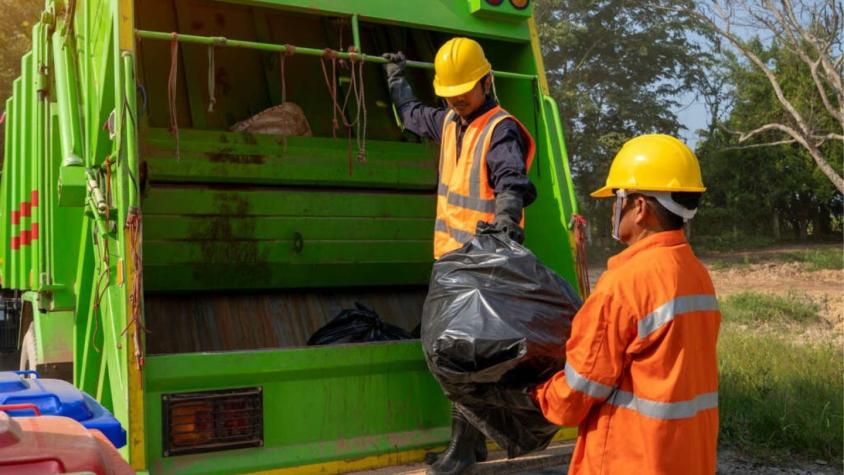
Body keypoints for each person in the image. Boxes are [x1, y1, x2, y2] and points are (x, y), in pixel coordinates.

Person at [383, 38, 537, 475]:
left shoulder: (499, 127)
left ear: (487, 81)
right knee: (461, 355)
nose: (457, 98)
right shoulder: (450, 121)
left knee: (460, 357)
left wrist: (507, 217)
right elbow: (412, 115)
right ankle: (471, 446)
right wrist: (396, 80)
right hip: (454, 261)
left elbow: (511, 177)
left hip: (485, 261)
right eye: (451, 92)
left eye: (465, 90)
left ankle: (463, 451)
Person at [531, 134, 721, 474]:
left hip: (630, 459)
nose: (612, 210)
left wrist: (536, 396)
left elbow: (579, 390)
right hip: (685, 458)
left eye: (616, 199)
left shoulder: (625, 284)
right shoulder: (697, 276)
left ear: (640, 207)